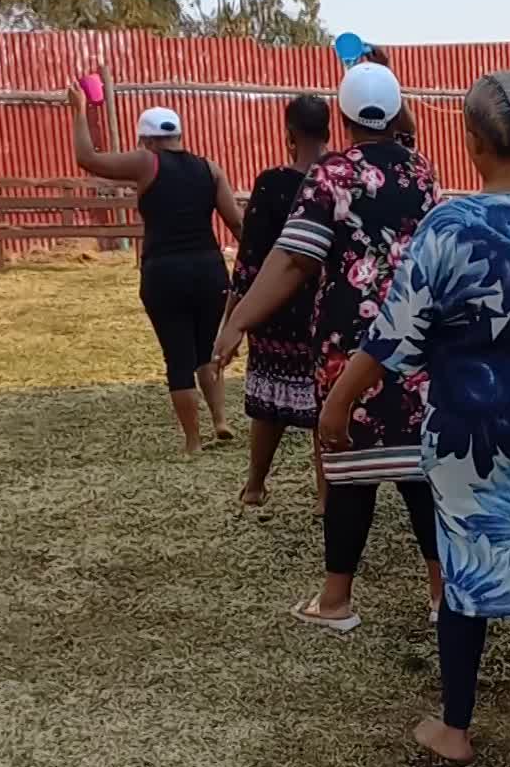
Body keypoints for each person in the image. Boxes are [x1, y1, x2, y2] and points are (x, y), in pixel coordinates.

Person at [319, 71, 510, 766]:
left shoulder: (449, 226)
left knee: (465, 568)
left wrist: (338, 403)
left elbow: (393, 332)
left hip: (472, 433)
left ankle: (456, 726)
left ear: (472, 142)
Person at [213, 62, 441, 631]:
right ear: (396, 112)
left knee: (346, 470)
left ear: (342, 115)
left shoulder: (333, 174)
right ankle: (442, 595)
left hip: (349, 345)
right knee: (420, 471)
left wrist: (238, 321)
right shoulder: (421, 172)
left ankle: (336, 602)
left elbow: (293, 259)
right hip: (416, 341)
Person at [66, 84, 244, 456]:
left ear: (146, 140)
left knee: (178, 357)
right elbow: (237, 223)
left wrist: (79, 110)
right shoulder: (210, 168)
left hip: (165, 273)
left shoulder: (147, 162)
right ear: (179, 136)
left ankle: (193, 442)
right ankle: (220, 420)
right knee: (207, 349)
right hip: (209, 270)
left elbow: (87, 158)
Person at [226, 94, 329, 511]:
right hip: (324, 312)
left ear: (289, 135)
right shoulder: (339, 180)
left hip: (274, 310)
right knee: (324, 405)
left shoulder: (271, 183)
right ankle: (325, 497)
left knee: (268, 408)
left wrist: (233, 322)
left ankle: (254, 486)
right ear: (328, 131)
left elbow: (249, 260)